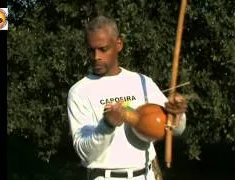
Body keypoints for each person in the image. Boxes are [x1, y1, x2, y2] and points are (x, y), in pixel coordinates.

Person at [67, 15, 188, 180]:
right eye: (91, 50)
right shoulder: (79, 91)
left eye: (103, 49)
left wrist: (176, 115)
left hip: (145, 175)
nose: (96, 57)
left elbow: (174, 130)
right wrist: (107, 125)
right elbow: (85, 153)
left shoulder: (142, 82)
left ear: (118, 44)